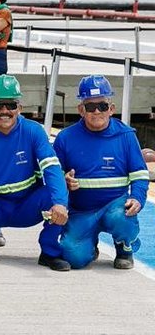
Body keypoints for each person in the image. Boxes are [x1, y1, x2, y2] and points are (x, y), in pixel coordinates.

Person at [0, 75, 70, 270]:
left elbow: (52, 168)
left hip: (28, 205)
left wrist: (60, 203)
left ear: (19, 108)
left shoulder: (34, 131)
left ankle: (50, 252)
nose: (4, 111)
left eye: (10, 105)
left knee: (58, 195)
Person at [55, 76, 148, 270]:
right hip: (81, 210)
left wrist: (137, 198)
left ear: (112, 109)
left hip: (114, 205)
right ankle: (89, 246)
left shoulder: (126, 136)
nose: (97, 111)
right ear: (81, 110)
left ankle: (125, 247)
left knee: (122, 218)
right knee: (74, 258)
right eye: (90, 107)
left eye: (102, 106)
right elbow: (53, 174)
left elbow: (140, 174)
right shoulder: (65, 138)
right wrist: (64, 180)